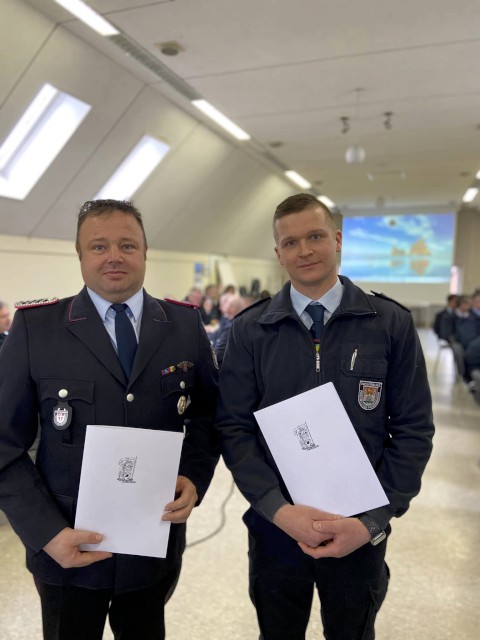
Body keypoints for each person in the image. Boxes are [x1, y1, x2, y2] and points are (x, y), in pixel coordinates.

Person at [216, 193, 434, 640]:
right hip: (277, 527)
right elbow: (234, 429)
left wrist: (372, 520)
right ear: (278, 253)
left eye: (315, 236)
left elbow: (413, 432)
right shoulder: (250, 330)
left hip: (359, 528)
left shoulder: (388, 323)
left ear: (337, 240)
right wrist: (277, 509)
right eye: (291, 242)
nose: (305, 251)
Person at [0, 199, 219, 640]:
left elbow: (209, 419)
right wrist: (46, 533)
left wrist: (193, 477)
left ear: (144, 252)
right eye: (98, 246)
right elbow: (3, 443)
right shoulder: (35, 329)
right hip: (67, 548)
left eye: (127, 244)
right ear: (80, 255)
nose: (114, 256)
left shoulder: (183, 325)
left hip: (153, 545)